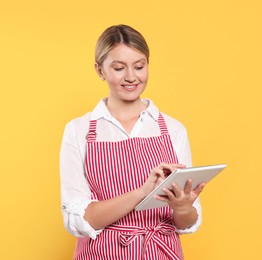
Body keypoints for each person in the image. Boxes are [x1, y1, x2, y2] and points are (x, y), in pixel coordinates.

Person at [60, 24, 205, 260]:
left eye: (139, 66)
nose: (131, 77)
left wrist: (182, 207)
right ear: (99, 70)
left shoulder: (172, 129)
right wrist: (143, 191)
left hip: (161, 252)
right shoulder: (79, 130)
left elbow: (187, 222)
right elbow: (81, 219)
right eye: (119, 68)